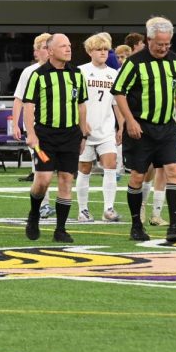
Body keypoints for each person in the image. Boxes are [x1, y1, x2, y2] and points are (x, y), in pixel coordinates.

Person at [111, 17, 176, 245]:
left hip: (166, 127)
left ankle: (175, 223)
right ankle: (136, 224)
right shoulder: (134, 62)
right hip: (140, 128)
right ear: (148, 40)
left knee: (173, 170)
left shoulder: (175, 62)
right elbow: (118, 92)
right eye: (159, 44)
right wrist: (129, 121)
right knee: (138, 176)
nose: (164, 48)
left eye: (168, 44)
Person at [23, 33, 89, 242]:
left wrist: (83, 134)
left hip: (70, 136)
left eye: (69, 45)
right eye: (63, 46)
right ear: (50, 51)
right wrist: (31, 134)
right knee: (42, 180)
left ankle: (60, 230)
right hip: (45, 137)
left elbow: (81, 105)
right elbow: (28, 105)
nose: (68, 49)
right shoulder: (39, 75)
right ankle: (34, 215)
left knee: (66, 180)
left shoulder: (77, 75)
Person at [77, 33, 123, 223]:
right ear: (90, 52)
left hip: (106, 129)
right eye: (99, 49)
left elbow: (116, 102)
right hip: (85, 130)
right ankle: (83, 210)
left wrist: (121, 126)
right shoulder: (80, 71)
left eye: (106, 50)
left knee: (111, 165)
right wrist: (81, 123)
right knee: (84, 168)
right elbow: (76, 101)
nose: (103, 53)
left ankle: (109, 209)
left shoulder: (114, 74)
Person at [10, 33, 51, 187]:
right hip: (35, 125)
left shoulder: (65, 70)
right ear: (36, 51)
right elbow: (19, 99)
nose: (48, 51)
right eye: (44, 48)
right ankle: (43, 203)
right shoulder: (30, 72)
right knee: (41, 163)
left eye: (49, 47)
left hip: (58, 126)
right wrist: (15, 124)